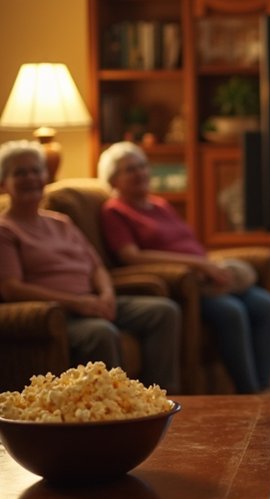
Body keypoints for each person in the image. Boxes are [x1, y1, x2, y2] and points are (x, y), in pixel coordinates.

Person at [98, 141, 270, 394]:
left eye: (142, 166)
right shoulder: (114, 211)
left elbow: (190, 244)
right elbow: (131, 256)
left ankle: (265, 387)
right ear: (113, 180)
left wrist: (211, 266)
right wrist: (197, 265)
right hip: (181, 287)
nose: (140, 173)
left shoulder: (160, 205)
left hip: (205, 275)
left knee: (264, 303)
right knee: (231, 311)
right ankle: (248, 392)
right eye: (130, 170)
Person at [0, 140, 181, 392]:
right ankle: (116, 410)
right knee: (100, 332)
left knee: (164, 311)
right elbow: (11, 289)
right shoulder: (5, 230)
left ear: (45, 177)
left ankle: (160, 400)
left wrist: (106, 295)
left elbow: (97, 268)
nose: (30, 178)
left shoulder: (61, 222)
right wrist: (77, 303)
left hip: (92, 299)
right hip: (59, 313)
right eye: (20, 173)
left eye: (36, 170)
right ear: (4, 183)